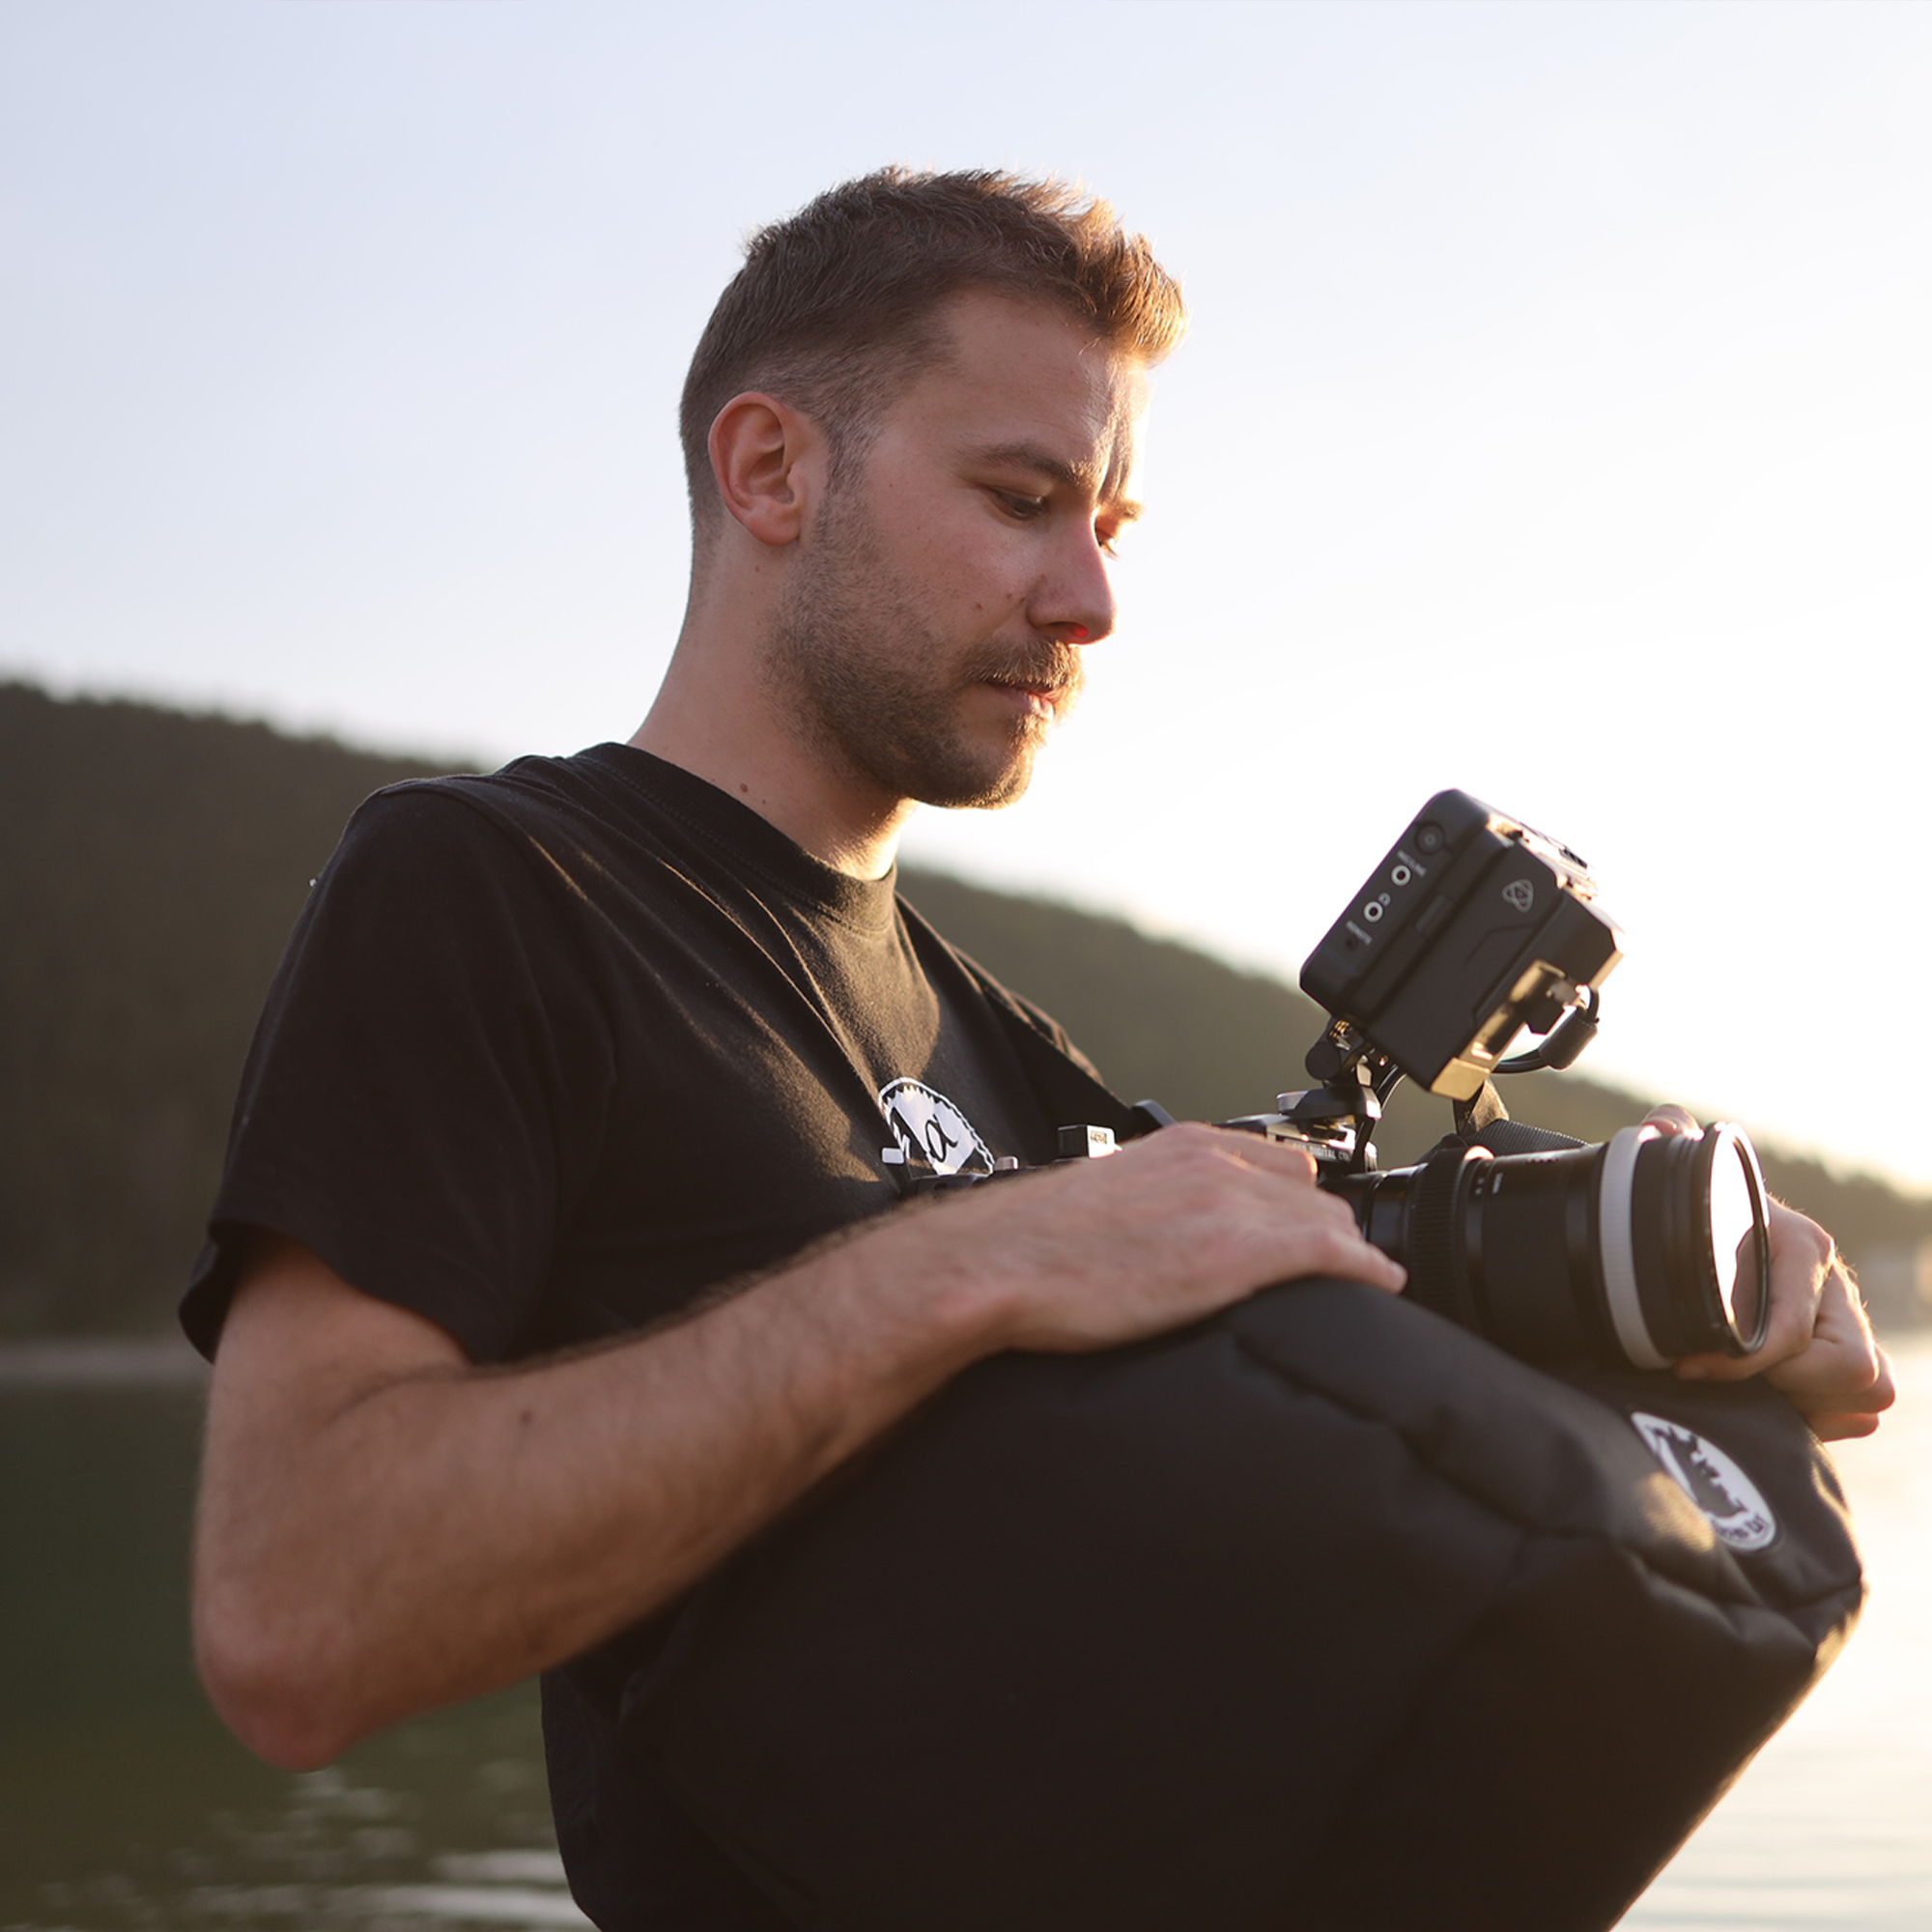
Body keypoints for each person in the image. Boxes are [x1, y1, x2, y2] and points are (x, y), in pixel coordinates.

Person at [184, 168, 1893, 1931]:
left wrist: (1679, 1289)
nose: (1090, 599)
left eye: (1115, 524)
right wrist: (978, 1262)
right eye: (1021, 498)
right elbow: (292, 1619)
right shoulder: (497, 887)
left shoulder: (998, 1039)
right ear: (771, 470)